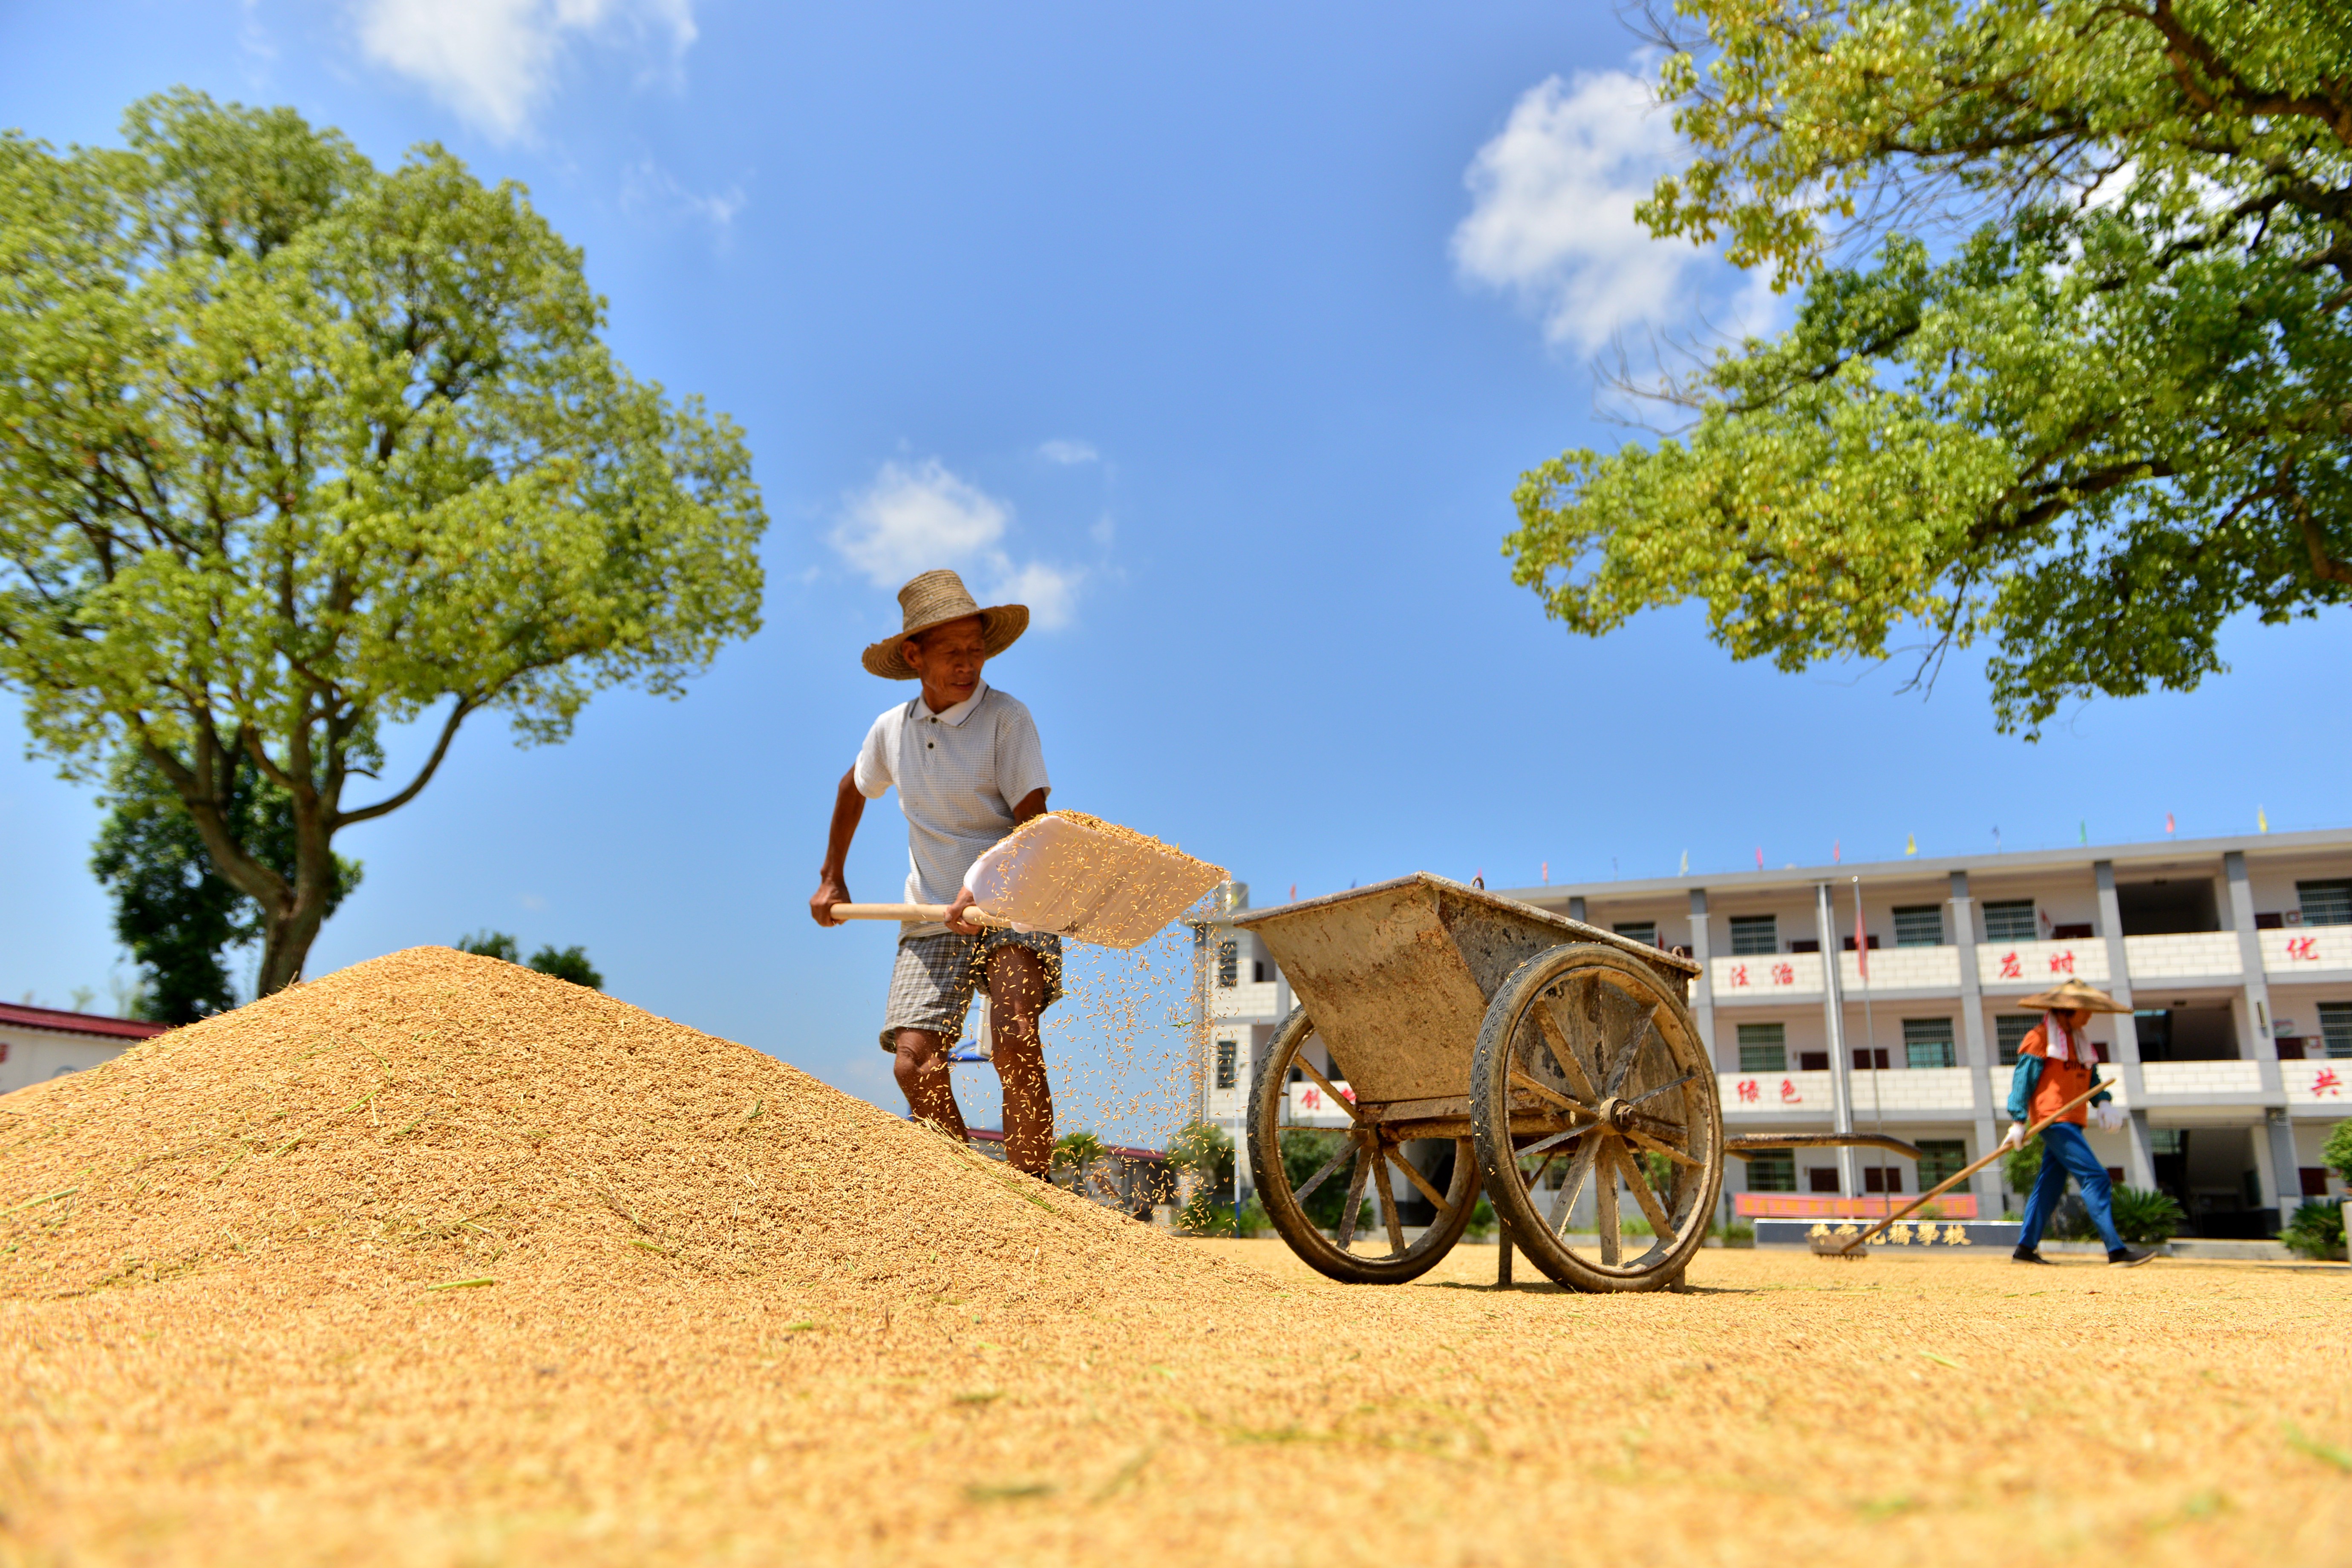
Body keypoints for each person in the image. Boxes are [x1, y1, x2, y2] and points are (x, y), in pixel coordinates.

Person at [809, 569, 1064, 1176]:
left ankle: (1038, 1198)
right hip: (932, 913)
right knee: (913, 1062)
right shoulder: (891, 731)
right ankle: (977, 1191)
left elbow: (1035, 828)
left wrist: (981, 886)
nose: (969, 663)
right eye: (953, 652)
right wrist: (831, 877)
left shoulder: (1008, 719)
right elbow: (853, 787)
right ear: (914, 655)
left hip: (1012, 903)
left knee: (1013, 1039)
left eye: (976, 649)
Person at [1999, 979, 2156, 1267]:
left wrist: (2104, 1102)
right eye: (2084, 1009)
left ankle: (2025, 1249)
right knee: (2096, 1177)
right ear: (2066, 1010)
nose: (2089, 1015)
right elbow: (2023, 1081)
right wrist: (2018, 1120)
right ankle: (2116, 1250)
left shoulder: (2079, 1042)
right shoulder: (2039, 1037)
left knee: (2050, 1184)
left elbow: (2092, 1080)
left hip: (2073, 1119)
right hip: (2054, 1120)